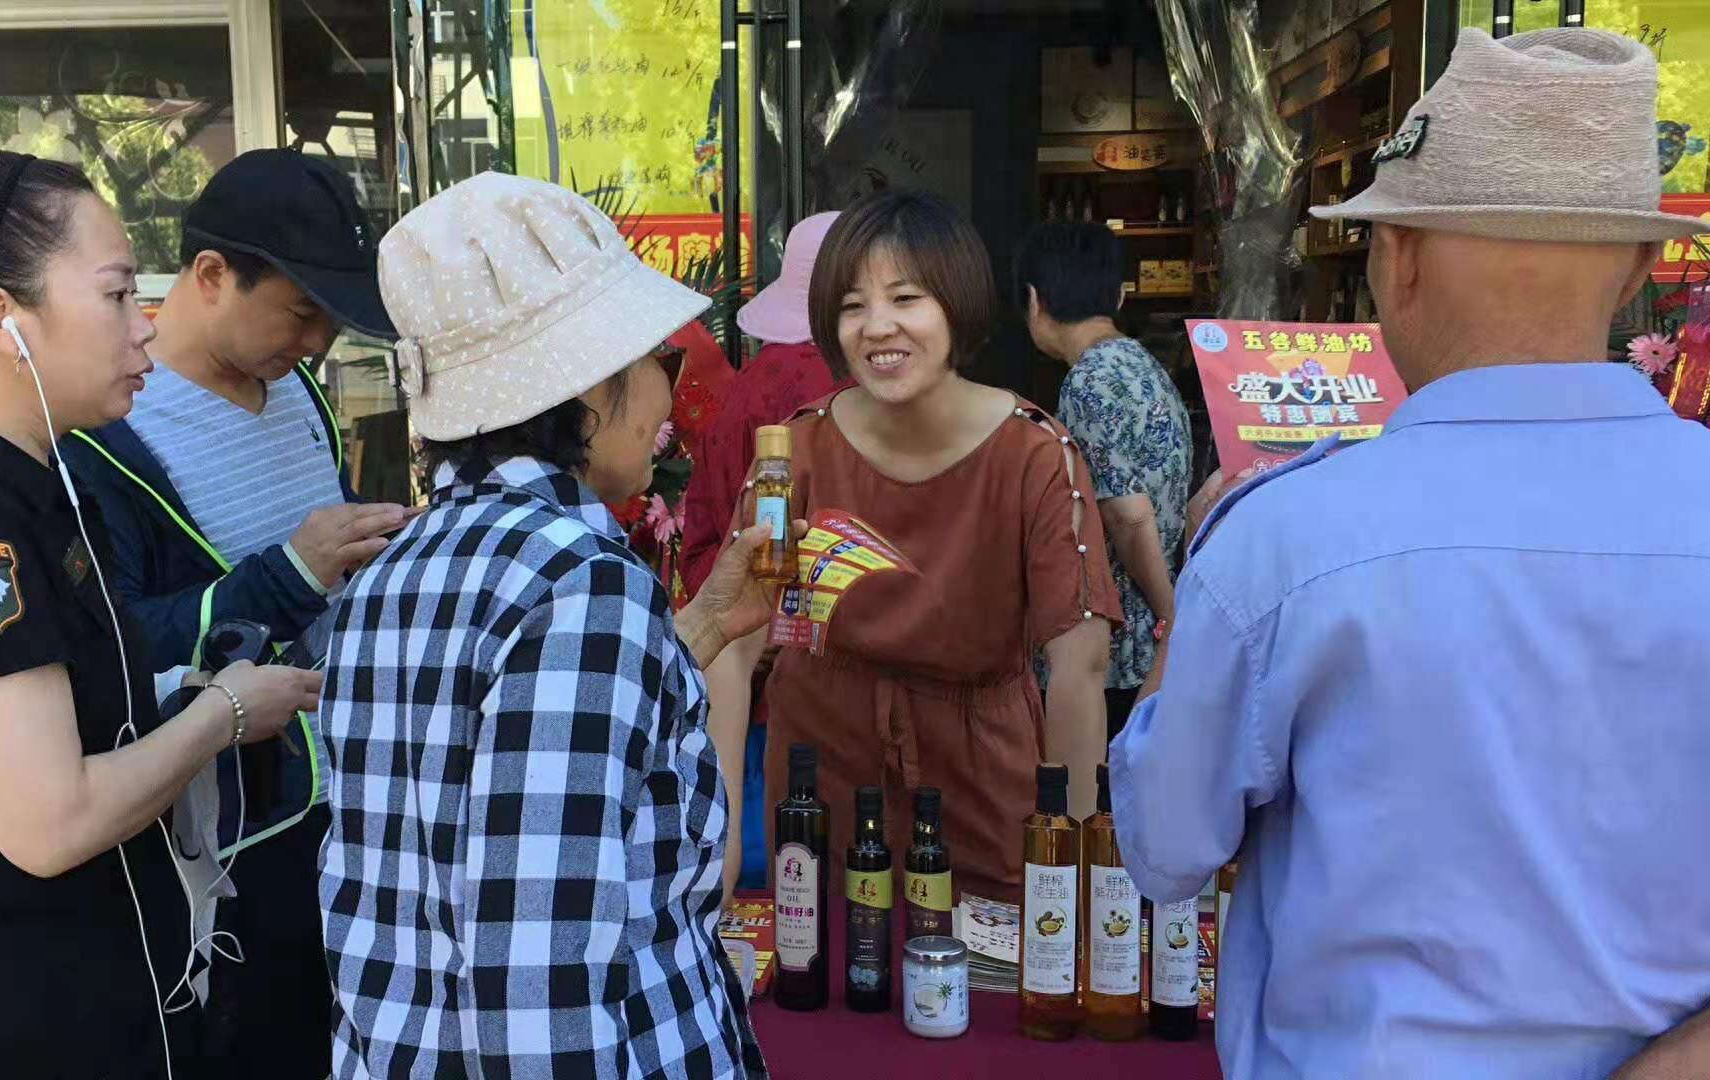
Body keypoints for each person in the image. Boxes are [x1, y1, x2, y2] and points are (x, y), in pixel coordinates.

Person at [1111, 28, 1710, 1080]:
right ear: (1640, 272)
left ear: (1399, 256)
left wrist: (1197, 583)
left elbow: (1163, 847)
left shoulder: (1288, 537)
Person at [0, 123, 320, 1078]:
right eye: (113, 294)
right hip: (25, 1026)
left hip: (116, 999)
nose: (145, 322)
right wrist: (227, 713)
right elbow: (51, 820)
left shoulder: (35, 477)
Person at [319, 172, 770, 1078]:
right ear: (587, 384)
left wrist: (707, 625)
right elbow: (539, 987)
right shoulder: (581, 587)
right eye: (659, 361)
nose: (668, 400)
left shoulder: (393, 574)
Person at [61, 149, 414, 1078]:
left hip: (343, 808)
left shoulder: (300, 394)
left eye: (333, 324)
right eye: (302, 314)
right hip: (227, 850)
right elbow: (117, 649)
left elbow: (324, 567)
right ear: (212, 277)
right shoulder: (107, 435)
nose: (318, 345)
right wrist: (292, 572)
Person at [722, 191, 1120, 903]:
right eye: (851, 306)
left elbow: (1080, 670)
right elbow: (732, 643)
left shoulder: (1035, 455)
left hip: (982, 785)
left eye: (905, 298)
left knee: (987, 993)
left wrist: (1075, 875)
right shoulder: (797, 450)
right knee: (828, 986)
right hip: (823, 774)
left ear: (956, 303)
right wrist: (718, 852)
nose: (877, 327)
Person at [683, 210, 847, 896]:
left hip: (750, 659)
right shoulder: (877, 398)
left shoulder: (751, 388)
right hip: (854, 680)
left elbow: (709, 526)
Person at [1017, 221, 1191, 739]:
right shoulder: (1143, 365)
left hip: (1124, 647)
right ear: (1117, 294)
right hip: (1143, 639)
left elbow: (1126, 512)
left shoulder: (1089, 380)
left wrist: (1170, 615)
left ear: (1033, 302)